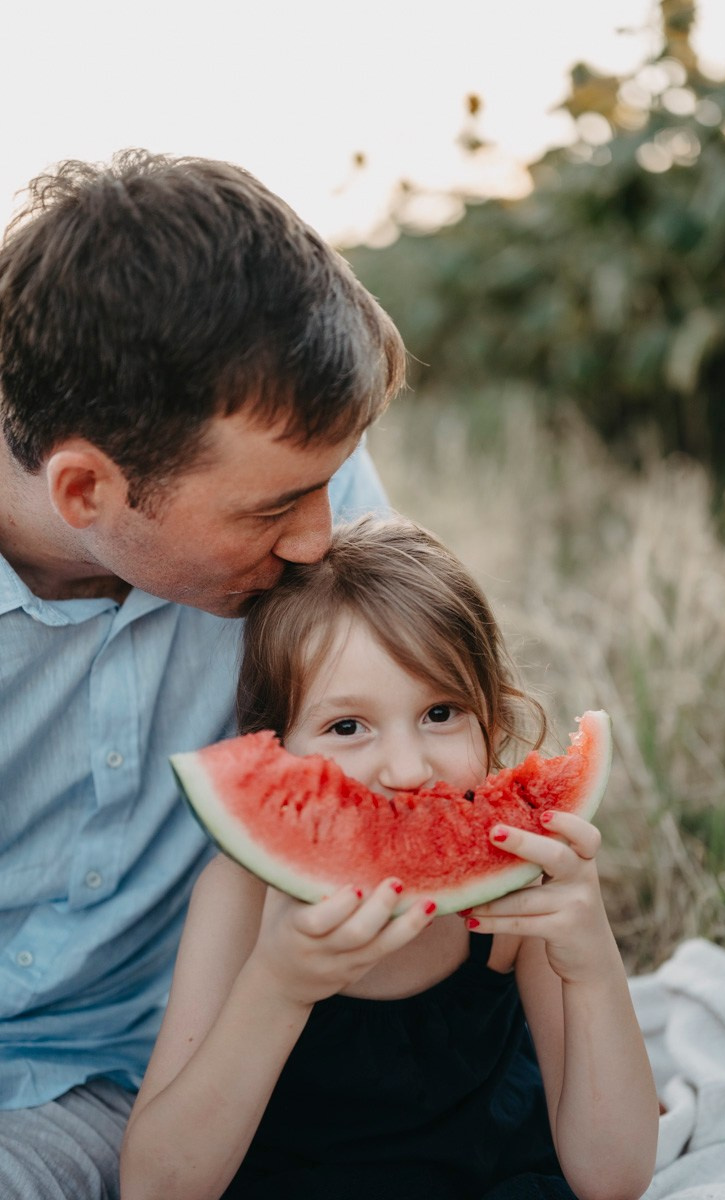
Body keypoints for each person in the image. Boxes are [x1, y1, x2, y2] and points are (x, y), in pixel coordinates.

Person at [0, 150, 403, 1198]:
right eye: (273, 511)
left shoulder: (308, 484)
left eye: (329, 486)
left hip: (138, 1078)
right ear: (87, 491)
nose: (323, 540)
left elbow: (421, 718)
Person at [120, 516, 659, 1200]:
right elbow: (155, 1188)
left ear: (494, 719)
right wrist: (279, 984)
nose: (407, 768)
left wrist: (591, 964)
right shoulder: (238, 900)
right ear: (276, 751)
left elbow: (614, 1178)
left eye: (441, 712)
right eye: (347, 727)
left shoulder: (522, 891)